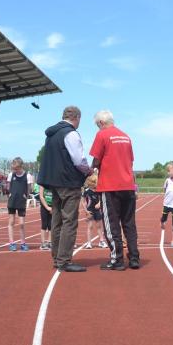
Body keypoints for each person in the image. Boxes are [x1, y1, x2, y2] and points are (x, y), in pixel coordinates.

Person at [37, 106, 91, 272]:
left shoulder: (51, 135)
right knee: (69, 221)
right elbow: (79, 160)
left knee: (57, 220)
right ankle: (64, 261)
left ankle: (57, 257)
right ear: (77, 117)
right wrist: (88, 171)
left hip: (54, 183)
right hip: (69, 182)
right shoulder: (71, 133)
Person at [90, 109, 140, 270]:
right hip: (128, 185)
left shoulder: (102, 135)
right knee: (129, 223)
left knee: (111, 224)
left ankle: (117, 259)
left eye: (97, 125)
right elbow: (130, 161)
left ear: (101, 123)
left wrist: (91, 171)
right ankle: (134, 258)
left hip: (110, 186)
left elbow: (96, 160)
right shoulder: (126, 136)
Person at [6, 157, 33, 252]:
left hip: (21, 201)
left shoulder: (27, 176)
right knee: (11, 222)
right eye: (14, 169)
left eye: (17, 168)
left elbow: (29, 188)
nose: (15, 170)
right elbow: (8, 186)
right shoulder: (11, 175)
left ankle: (23, 243)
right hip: (12, 201)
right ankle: (11, 243)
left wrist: (26, 196)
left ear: (21, 166)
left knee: (21, 223)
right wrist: (9, 194)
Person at [82, 174, 105, 249]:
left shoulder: (99, 190)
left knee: (99, 226)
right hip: (90, 211)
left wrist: (99, 203)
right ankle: (89, 243)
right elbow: (83, 201)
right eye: (95, 182)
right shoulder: (86, 191)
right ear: (91, 183)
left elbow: (102, 198)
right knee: (90, 226)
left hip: (97, 210)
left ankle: (101, 241)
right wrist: (86, 211)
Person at [38, 185, 53, 250]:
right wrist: (47, 207)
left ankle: (50, 242)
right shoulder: (42, 184)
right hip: (44, 207)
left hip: (52, 206)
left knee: (51, 225)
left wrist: (53, 207)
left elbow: (56, 196)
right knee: (44, 224)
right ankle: (43, 242)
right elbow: (41, 196)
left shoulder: (54, 184)